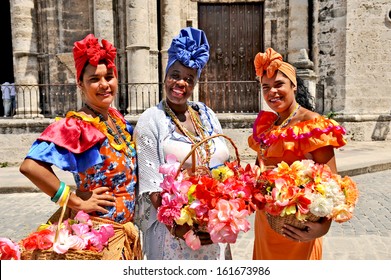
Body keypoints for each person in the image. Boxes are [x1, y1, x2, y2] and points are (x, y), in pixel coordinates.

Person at [19, 34, 142, 260]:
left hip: (124, 236)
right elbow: (30, 167)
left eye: (109, 76)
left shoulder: (118, 120)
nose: (104, 84)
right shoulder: (77, 125)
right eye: (94, 79)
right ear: (80, 84)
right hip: (98, 237)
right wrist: (75, 200)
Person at [134, 27, 232, 260]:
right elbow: (152, 187)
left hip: (212, 229)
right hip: (174, 233)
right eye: (175, 74)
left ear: (195, 83)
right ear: (165, 75)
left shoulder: (206, 114)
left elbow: (225, 167)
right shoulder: (152, 120)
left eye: (189, 78)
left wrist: (218, 218)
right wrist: (183, 227)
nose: (181, 83)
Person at [248, 47, 347, 260]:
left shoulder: (312, 124)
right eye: (266, 87)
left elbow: (333, 185)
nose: (272, 92)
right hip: (266, 225)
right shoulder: (266, 126)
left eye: (279, 84)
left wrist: (323, 228)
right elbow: (259, 170)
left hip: (299, 230)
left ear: (294, 86)